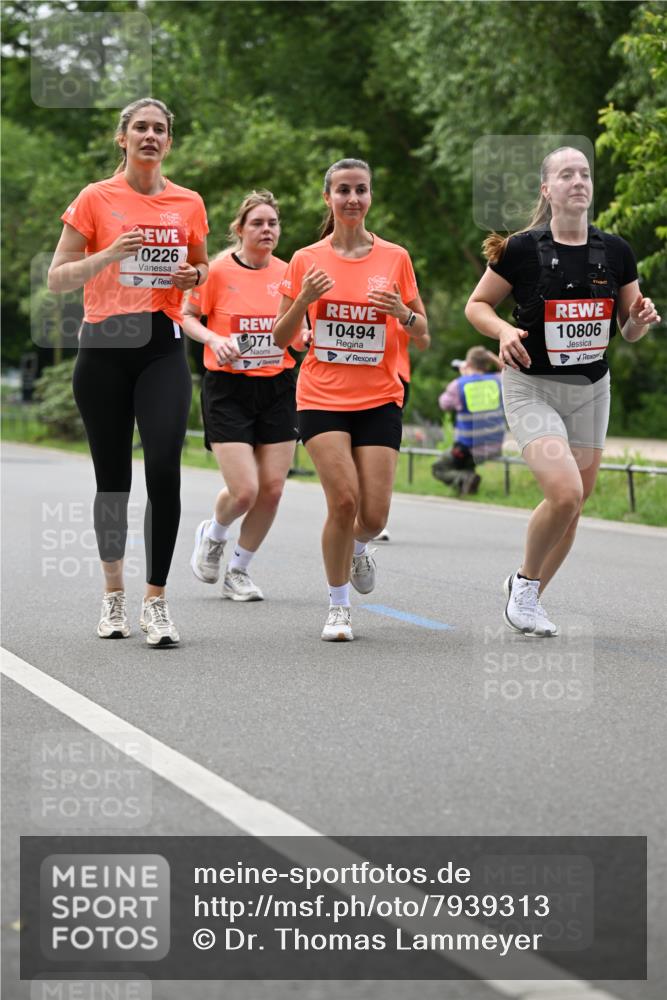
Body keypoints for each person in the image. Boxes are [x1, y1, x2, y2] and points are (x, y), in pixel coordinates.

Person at [465, 145, 660, 636]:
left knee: (573, 506)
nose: (578, 181)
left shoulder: (616, 251)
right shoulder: (522, 249)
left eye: (585, 174)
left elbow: (628, 329)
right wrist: (503, 332)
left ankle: (528, 595)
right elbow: (477, 306)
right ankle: (524, 586)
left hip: (591, 390)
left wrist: (637, 321)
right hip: (533, 386)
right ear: (547, 189)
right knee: (565, 491)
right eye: (566, 174)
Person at [48, 98, 209, 646]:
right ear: (123, 138)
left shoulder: (187, 202)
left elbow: (202, 266)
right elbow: (58, 278)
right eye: (139, 127)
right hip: (104, 349)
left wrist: (194, 275)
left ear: (169, 141)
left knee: (164, 467)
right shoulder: (96, 198)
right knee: (112, 480)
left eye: (159, 129)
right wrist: (109, 253)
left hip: (161, 347)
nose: (149, 136)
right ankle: (113, 594)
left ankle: (156, 602)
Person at [272, 158, 429, 641]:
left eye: (361, 190)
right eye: (343, 190)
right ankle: (338, 606)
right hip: (320, 395)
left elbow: (422, 336)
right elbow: (281, 338)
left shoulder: (395, 258)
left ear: (370, 196)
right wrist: (302, 300)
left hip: (380, 396)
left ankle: (358, 547)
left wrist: (402, 312)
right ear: (328, 198)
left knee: (374, 515)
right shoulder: (305, 259)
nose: (352, 199)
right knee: (343, 500)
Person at [183, 191, 304, 600]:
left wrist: (303, 338)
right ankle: (214, 533)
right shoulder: (216, 271)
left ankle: (239, 570)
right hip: (228, 388)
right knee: (245, 490)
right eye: (258, 223)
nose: (267, 229)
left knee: (272, 488)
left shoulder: (291, 274)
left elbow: (299, 328)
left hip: (278, 386)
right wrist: (214, 338)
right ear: (239, 229)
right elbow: (185, 316)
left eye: (273, 223)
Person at [432, 346, 504, 495]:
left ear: (469, 363)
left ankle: (465, 478)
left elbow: (443, 404)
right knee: (465, 464)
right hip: (494, 446)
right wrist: (492, 356)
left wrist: (462, 377)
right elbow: (510, 372)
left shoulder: (459, 385)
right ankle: (468, 487)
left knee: (438, 468)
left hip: (469, 449)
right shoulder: (498, 380)